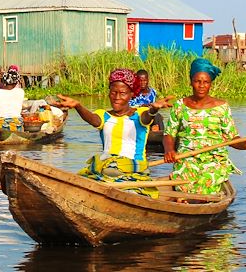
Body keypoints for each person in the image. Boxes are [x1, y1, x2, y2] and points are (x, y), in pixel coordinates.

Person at [54, 69, 173, 197]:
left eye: (122, 93)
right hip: (105, 169)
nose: (117, 98)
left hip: (132, 170)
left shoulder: (138, 114)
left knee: (129, 192)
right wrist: (78, 106)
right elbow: (94, 120)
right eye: (113, 93)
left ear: (131, 94)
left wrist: (154, 109)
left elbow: (147, 116)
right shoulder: (104, 115)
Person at [162, 58, 246, 195]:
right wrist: (169, 150)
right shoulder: (180, 106)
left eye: (206, 82)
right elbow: (169, 134)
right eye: (197, 81)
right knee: (184, 184)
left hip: (214, 160)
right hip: (187, 158)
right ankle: (184, 199)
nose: (201, 86)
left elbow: (232, 138)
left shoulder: (222, 107)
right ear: (191, 82)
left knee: (206, 181)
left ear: (210, 84)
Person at [129, 69, 163, 137]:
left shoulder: (153, 92)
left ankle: (161, 134)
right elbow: (130, 106)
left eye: (145, 80)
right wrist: (142, 106)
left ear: (148, 80)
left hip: (150, 114)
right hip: (138, 116)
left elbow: (153, 105)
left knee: (158, 116)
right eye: (140, 81)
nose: (143, 83)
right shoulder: (133, 93)